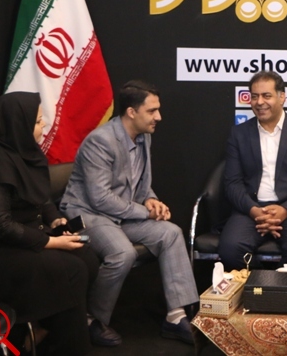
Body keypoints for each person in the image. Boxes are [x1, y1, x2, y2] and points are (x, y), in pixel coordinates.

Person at [0, 92, 99, 356]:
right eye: (38, 121)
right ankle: (65, 346)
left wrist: (55, 219)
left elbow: (40, 197)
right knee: (71, 270)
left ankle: (47, 331)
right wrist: (51, 242)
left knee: (86, 257)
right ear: (19, 124)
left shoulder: (21, 152)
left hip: (17, 238)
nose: (44, 125)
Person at [60, 80, 198, 347]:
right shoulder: (100, 141)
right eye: (152, 111)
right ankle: (91, 320)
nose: (159, 117)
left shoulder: (144, 136)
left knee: (171, 233)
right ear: (132, 112)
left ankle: (175, 316)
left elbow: (139, 182)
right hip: (88, 213)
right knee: (122, 253)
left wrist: (151, 199)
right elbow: (100, 198)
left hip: (121, 214)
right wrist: (145, 212)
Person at [218, 70, 287, 270]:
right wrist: (254, 211)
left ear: (282, 97)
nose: (259, 102)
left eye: (266, 95)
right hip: (252, 209)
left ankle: (281, 289)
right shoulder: (239, 133)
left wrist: (285, 210)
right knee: (230, 248)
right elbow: (232, 183)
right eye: (254, 96)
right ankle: (260, 286)